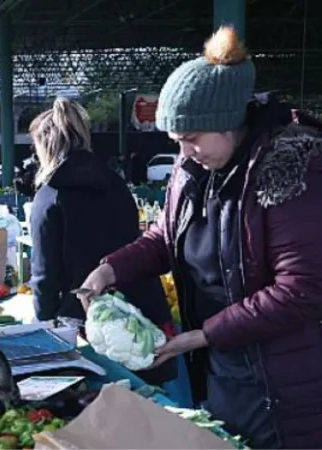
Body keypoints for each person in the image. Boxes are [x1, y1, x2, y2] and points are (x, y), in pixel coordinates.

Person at [78, 27, 322, 449]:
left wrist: (203, 334)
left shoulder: (290, 172)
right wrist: (110, 267)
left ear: (227, 123)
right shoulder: (194, 170)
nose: (184, 152)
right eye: (176, 142)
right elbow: (165, 237)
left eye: (191, 139)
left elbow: (301, 288)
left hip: (284, 384)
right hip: (224, 369)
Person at [27, 98, 175, 385]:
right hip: (144, 311)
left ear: (45, 147)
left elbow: (45, 275)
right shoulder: (115, 182)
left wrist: (45, 328)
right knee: (153, 410)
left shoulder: (50, 195)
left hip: (93, 325)